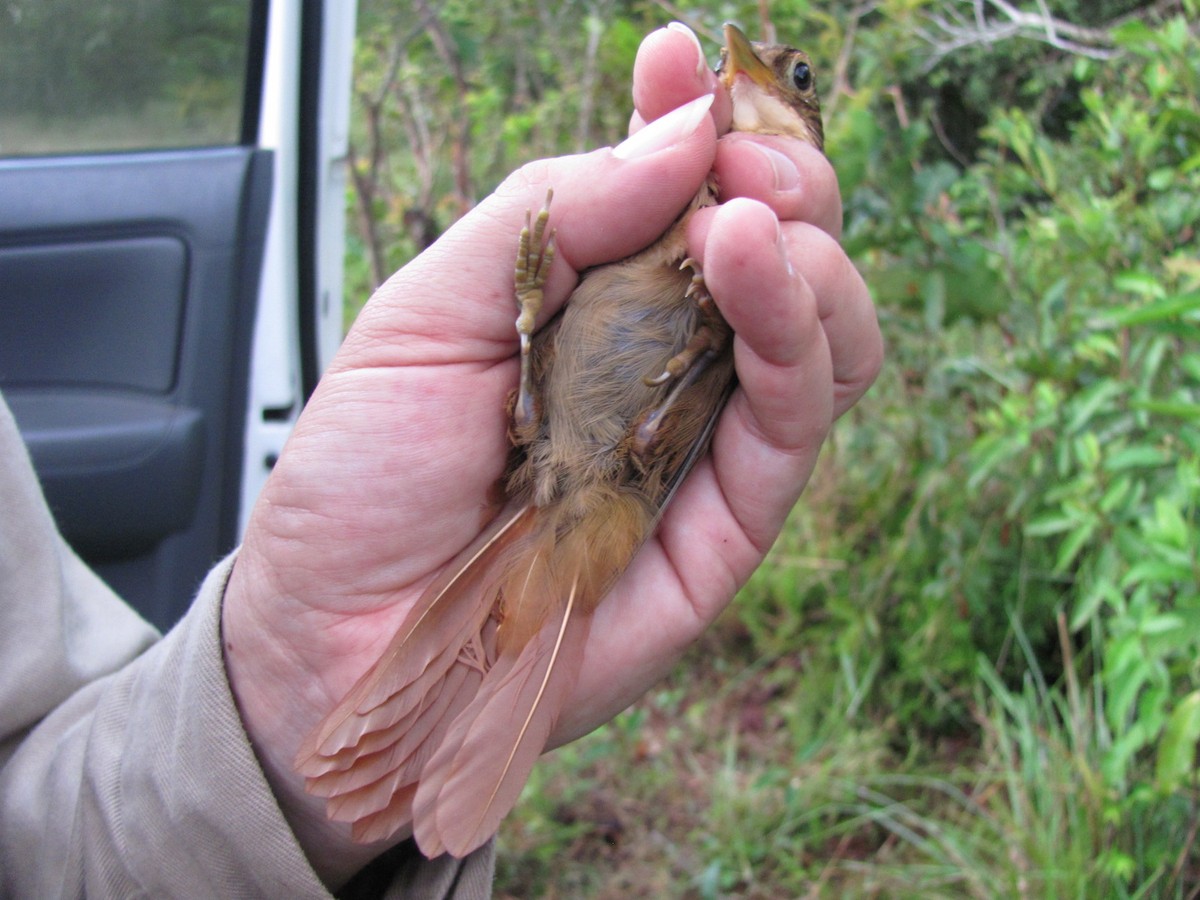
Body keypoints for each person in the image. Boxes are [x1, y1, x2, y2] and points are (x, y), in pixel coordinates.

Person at [0, 22, 880, 898]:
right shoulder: (693, 188)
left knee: (739, 294)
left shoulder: (723, 204)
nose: (753, 73)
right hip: (564, 467)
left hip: (600, 473)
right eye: (747, 67)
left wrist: (276, 697)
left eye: (791, 76)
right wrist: (540, 302)